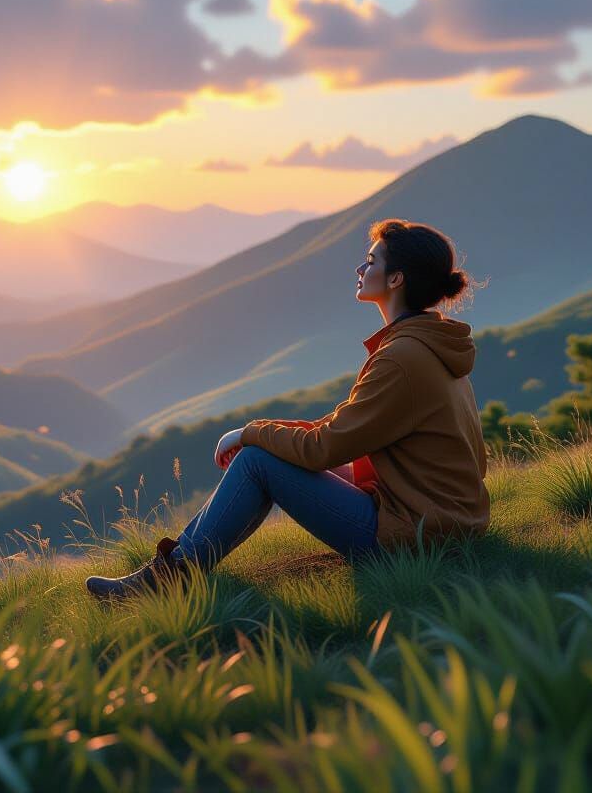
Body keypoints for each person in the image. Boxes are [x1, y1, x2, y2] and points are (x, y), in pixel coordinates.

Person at [85, 218, 491, 600]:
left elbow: (323, 448)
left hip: (414, 537)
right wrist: (268, 432)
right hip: (443, 523)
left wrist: (251, 434)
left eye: (370, 262)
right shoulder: (428, 344)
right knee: (266, 455)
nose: (359, 269)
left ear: (396, 279)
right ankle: (177, 568)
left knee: (256, 462)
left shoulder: (402, 358)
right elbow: (343, 429)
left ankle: (169, 579)